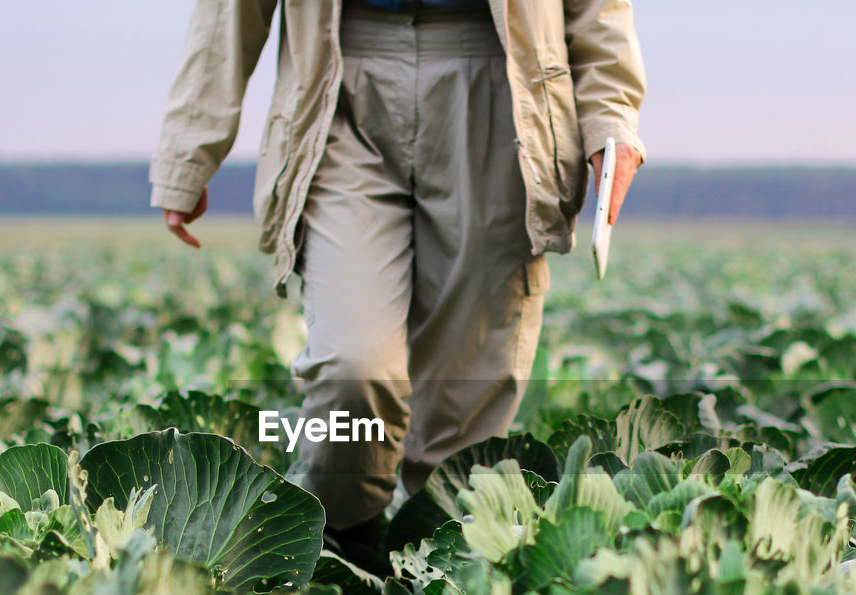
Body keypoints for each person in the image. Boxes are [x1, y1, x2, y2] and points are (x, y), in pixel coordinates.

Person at [151, 0, 646, 562]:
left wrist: (610, 119)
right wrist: (187, 153)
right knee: (351, 367)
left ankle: (447, 579)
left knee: (469, 389)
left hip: (499, 75)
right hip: (339, 79)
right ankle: (345, 553)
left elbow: (596, 9)